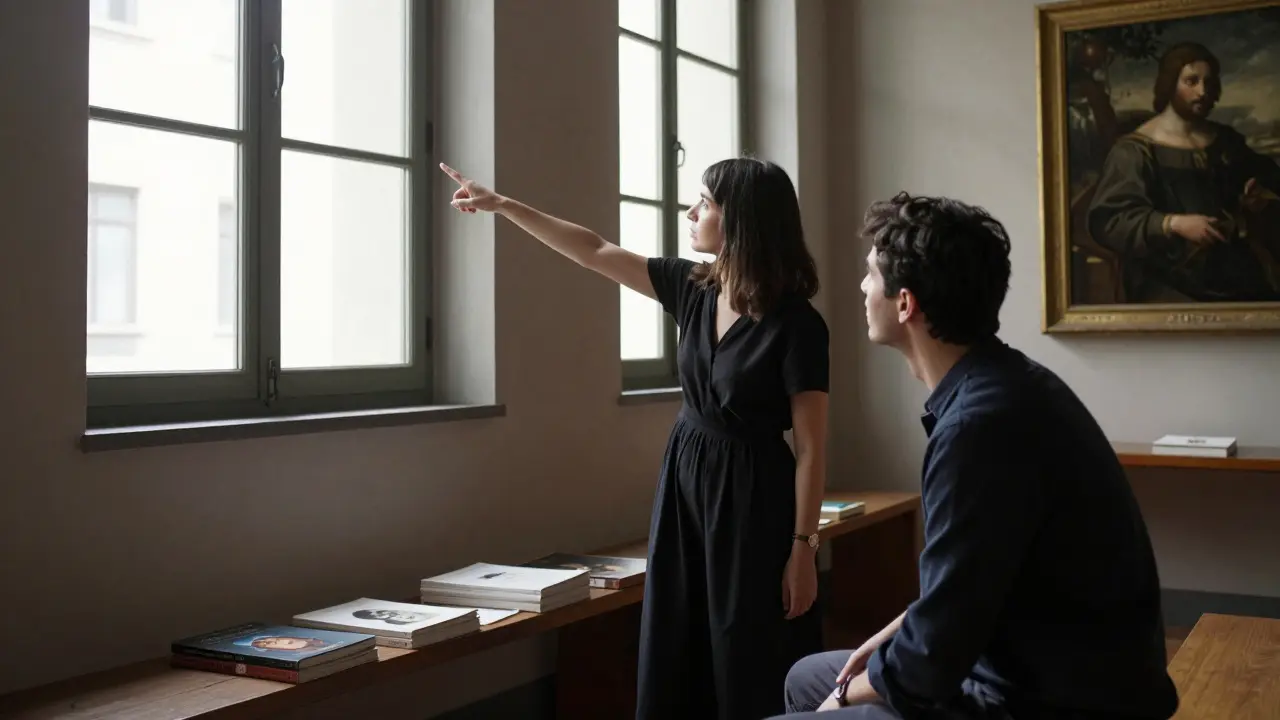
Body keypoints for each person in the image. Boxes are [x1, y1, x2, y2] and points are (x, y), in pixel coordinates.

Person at [440, 158, 830, 720]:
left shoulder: (798, 325)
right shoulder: (692, 287)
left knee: (747, 648)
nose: (690, 212)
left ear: (741, 220)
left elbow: (813, 448)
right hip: (685, 481)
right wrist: (503, 205)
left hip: (753, 496)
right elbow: (594, 250)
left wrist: (803, 548)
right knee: (677, 635)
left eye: (705, 203)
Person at [773, 192, 1178, 719]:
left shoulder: (978, 429)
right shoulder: (1006, 384)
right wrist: (889, 637)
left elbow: (931, 661)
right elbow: (971, 584)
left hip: (1047, 700)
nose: (861, 286)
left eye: (871, 273)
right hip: (1036, 665)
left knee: (817, 698)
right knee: (804, 675)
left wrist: (845, 696)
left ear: (905, 303)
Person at [1087, 41, 1280, 303]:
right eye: (1191, 81)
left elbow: (1267, 177)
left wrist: (1257, 197)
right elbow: (1108, 221)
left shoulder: (1225, 140)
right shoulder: (1134, 151)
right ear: (1169, 84)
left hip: (1235, 271)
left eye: (1209, 83)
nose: (1203, 91)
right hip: (1170, 279)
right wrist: (1173, 223)